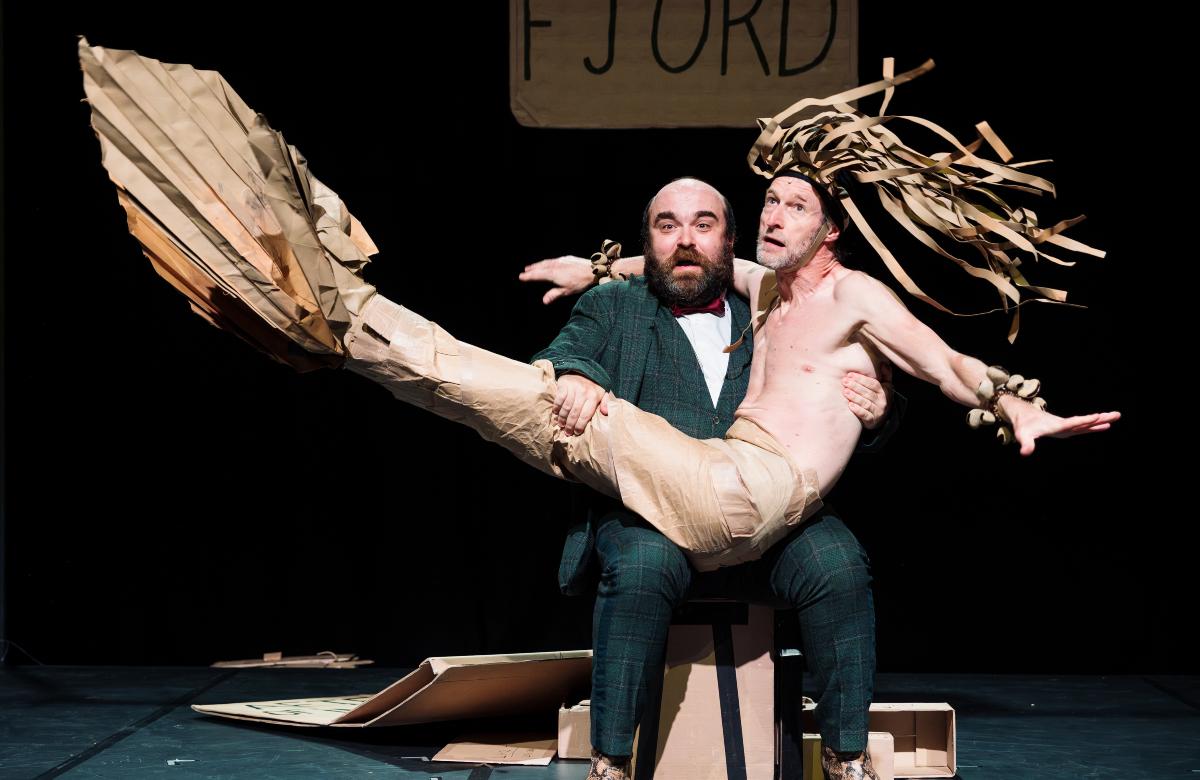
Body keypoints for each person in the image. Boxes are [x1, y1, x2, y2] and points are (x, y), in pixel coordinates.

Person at [520, 177, 897, 780]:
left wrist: (878, 412)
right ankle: (611, 758)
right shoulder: (617, 304)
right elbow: (573, 345)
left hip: (768, 518)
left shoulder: (775, 304)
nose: (685, 240)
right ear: (648, 242)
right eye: (667, 226)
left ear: (731, 243)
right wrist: (575, 373)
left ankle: (844, 753)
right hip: (654, 517)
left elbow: (849, 386)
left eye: (703, 225)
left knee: (838, 564)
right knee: (640, 567)